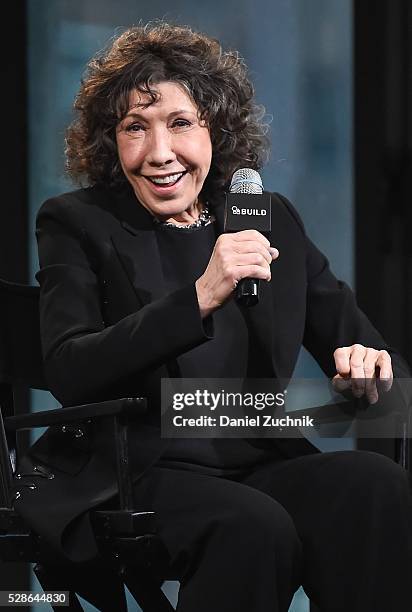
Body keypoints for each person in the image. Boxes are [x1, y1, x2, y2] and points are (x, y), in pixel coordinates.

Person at [14, 21, 412, 611]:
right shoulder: (78, 222)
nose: (159, 153)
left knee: (375, 486)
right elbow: (70, 368)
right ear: (109, 141)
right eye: (134, 128)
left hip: (257, 457)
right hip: (136, 467)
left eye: (179, 124)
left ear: (216, 130)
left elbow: (383, 367)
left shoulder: (268, 217)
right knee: (252, 526)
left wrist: (367, 369)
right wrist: (199, 295)